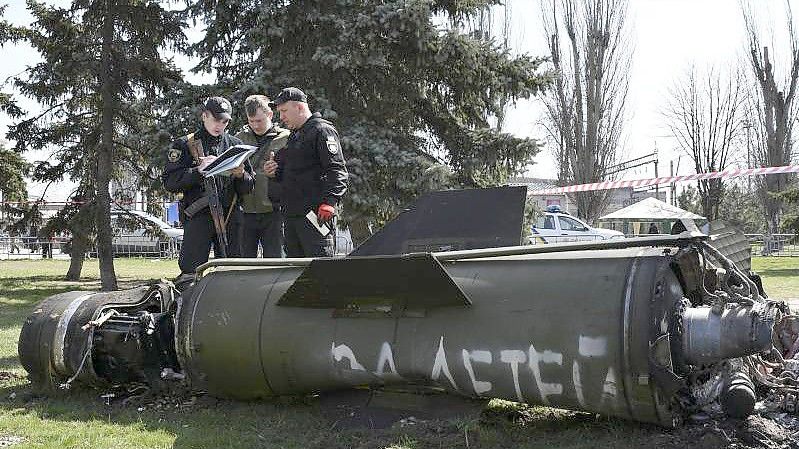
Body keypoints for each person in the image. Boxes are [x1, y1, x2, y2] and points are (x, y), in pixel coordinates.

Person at [162, 96, 254, 277]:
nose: (220, 125)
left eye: (225, 121)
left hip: (230, 217)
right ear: (204, 116)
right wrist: (198, 171)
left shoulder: (236, 145)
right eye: (216, 119)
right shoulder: (185, 144)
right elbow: (171, 182)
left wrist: (241, 175)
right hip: (199, 217)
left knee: (232, 271)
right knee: (190, 272)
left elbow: (249, 186)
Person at [264, 87, 348, 257]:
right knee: (294, 271)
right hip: (291, 215)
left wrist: (330, 202)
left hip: (315, 215)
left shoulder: (322, 130)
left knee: (320, 268)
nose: (281, 117)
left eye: (284, 111)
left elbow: (337, 170)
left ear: (300, 107)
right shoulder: (294, 136)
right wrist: (274, 172)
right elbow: (292, 173)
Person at [235, 95, 290, 258]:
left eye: (259, 120)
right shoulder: (239, 139)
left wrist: (279, 170)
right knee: (243, 263)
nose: (255, 125)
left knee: (275, 261)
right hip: (246, 210)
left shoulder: (286, 138)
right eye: (251, 121)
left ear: (270, 115)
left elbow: (296, 172)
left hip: (274, 211)